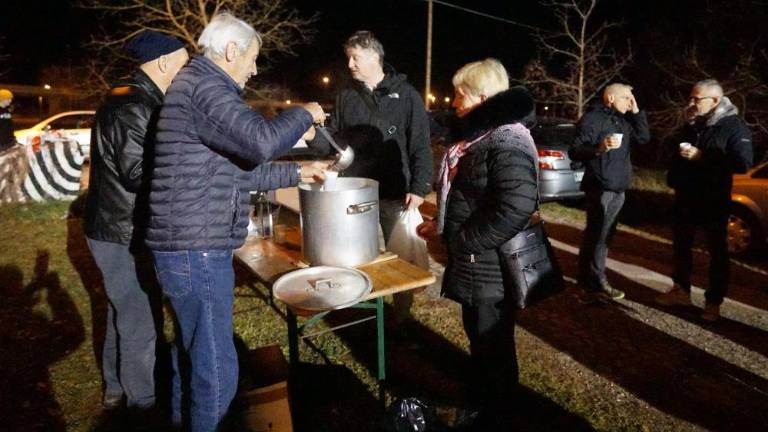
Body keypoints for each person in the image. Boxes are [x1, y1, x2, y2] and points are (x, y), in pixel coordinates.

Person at [145, 13, 326, 431]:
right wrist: (304, 113)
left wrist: (300, 172)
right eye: (252, 58)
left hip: (186, 246)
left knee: (191, 354)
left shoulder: (195, 87)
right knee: (215, 367)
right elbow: (260, 142)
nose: (254, 68)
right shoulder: (207, 88)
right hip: (196, 249)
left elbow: (237, 171)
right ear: (231, 51)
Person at [417, 59, 537, 429]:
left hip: (491, 265)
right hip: (476, 261)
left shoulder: (507, 140)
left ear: (483, 97)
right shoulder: (480, 136)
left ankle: (496, 415)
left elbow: (516, 205)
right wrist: (443, 225)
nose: (453, 102)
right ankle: (486, 407)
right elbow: (475, 197)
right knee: (484, 344)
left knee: (492, 345)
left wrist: (464, 239)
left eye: (460, 94)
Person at [83, 30, 189, 415]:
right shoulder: (133, 104)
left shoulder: (134, 96)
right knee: (140, 316)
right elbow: (136, 172)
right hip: (120, 231)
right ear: (164, 62)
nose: (185, 70)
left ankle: (116, 388)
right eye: (182, 62)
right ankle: (142, 404)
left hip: (115, 226)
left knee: (121, 309)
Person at [308, 30, 433, 323]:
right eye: (348, 57)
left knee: (399, 256)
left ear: (375, 56)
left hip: (395, 192)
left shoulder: (408, 96)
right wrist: (313, 134)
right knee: (354, 252)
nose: (350, 64)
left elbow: (420, 145)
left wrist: (420, 186)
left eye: (356, 57)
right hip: (355, 192)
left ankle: (401, 314)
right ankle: (359, 303)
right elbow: (335, 144)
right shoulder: (346, 96)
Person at [656, 79, 753, 321]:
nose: (691, 102)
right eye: (690, 97)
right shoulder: (694, 124)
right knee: (681, 244)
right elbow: (672, 149)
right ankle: (681, 290)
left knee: (717, 249)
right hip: (686, 194)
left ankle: (713, 302)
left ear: (715, 101)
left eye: (696, 99)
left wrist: (702, 156)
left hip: (713, 196)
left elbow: (742, 163)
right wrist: (685, 125)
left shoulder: (734, 127)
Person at [569, 83, 650, 301]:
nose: (630, 102)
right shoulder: (593, 119)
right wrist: (599, 148)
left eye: (632, 98)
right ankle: (594, 281)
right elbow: (575, 150)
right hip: (600, 186)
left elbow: (644, 138)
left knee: (604, 236)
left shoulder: (624, 120)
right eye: (626, 98)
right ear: (611, 98)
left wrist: (636, 112)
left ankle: (588, 280)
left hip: (619, 187)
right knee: (597, 235)